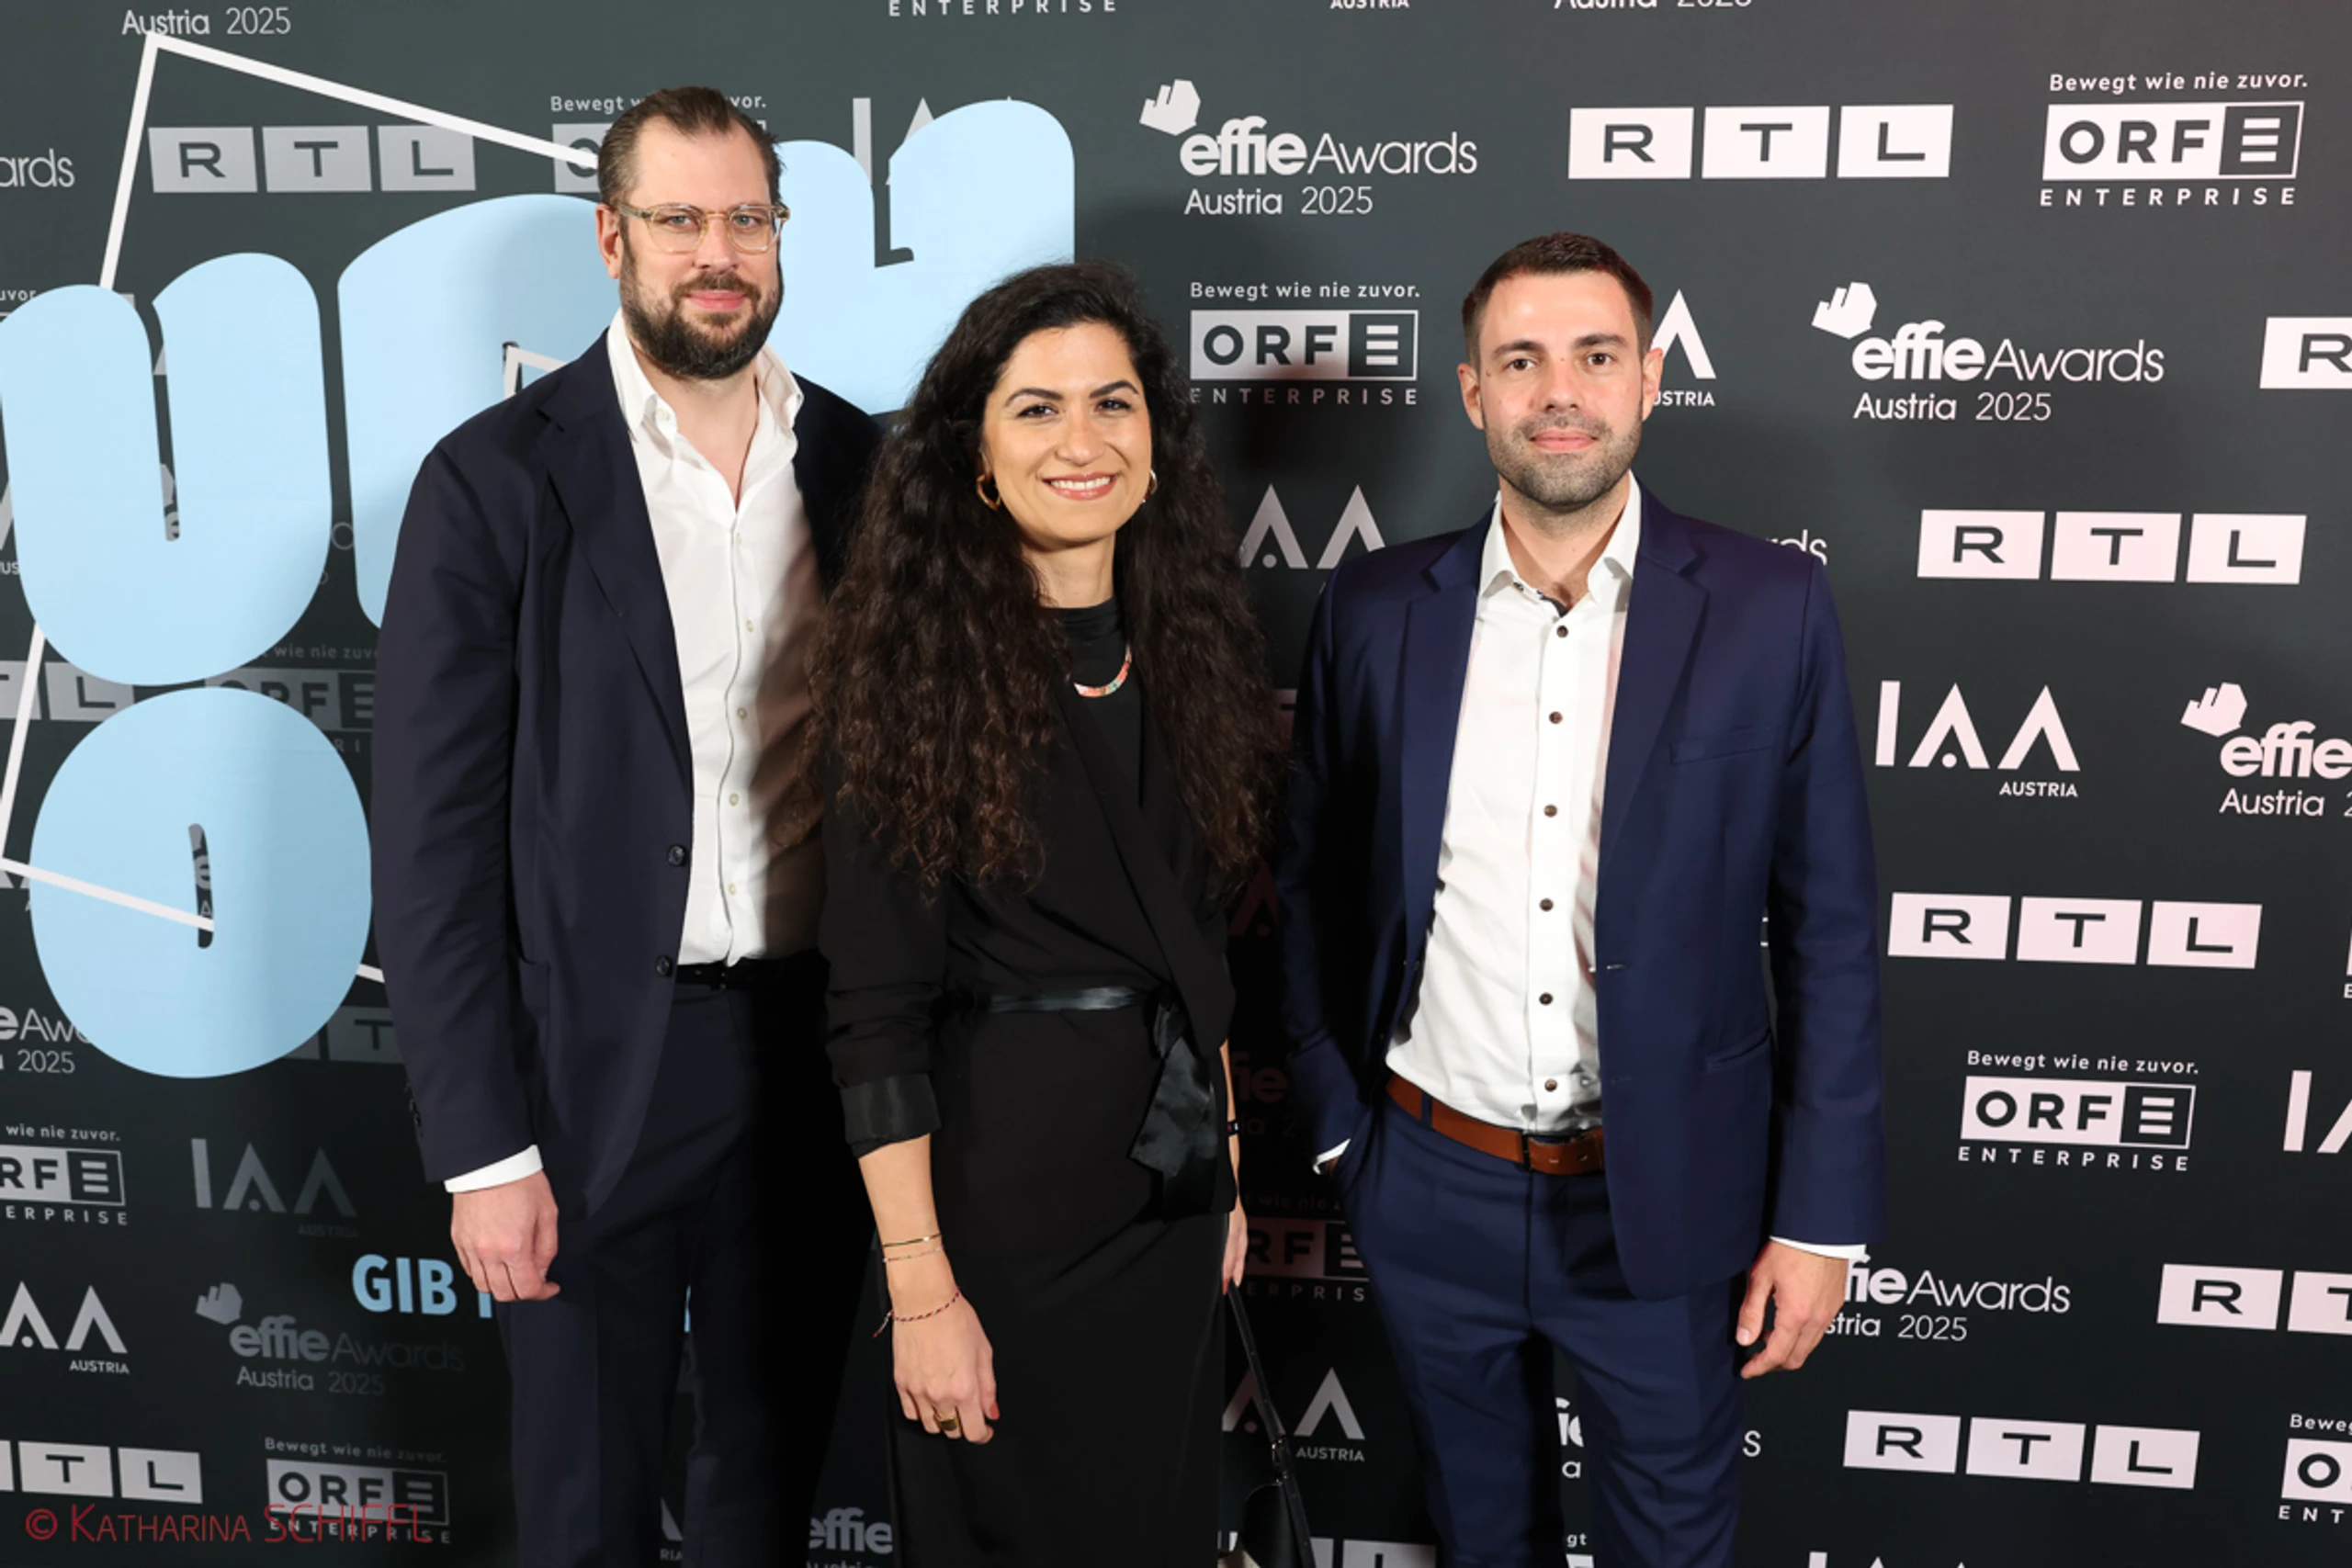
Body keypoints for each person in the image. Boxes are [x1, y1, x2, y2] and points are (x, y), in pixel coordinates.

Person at [1274, 232, 1885, 1568]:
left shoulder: (1771, 604)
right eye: (1521, 360)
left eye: (1595, 356)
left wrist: (1818, 1215)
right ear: (1472, 392)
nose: (1560, 391)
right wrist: (1339, 1134)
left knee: (1675, 1542)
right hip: (1426, 1179)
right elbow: (1307, 878)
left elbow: (1833, 927)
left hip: (1667, 1194)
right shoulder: (1373, 606)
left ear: (1650, 376)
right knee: (1479, 1535)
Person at [371, 85, 879, 1566]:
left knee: (768, 1489)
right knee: (585, 1503)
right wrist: (484, 1149)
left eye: (747, 219)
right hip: (587, 1076)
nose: (718, 254)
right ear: (612, 239)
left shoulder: (863, 465)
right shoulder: (492, 480)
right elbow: (432, 849)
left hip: (814, 1058)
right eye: (680, 220)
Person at [812, 260, 1280, 1567]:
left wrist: (1226, 1172)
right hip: (996, 1223)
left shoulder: (1191, 657)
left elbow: (1200, 953)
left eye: (1112, 403)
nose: (1082, 440)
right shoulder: (908, 684)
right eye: (1037, 408)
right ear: (976, 452)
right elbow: (875, 1019)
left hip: (1169, 1204)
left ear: (1155, 440)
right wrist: (922, 1290)